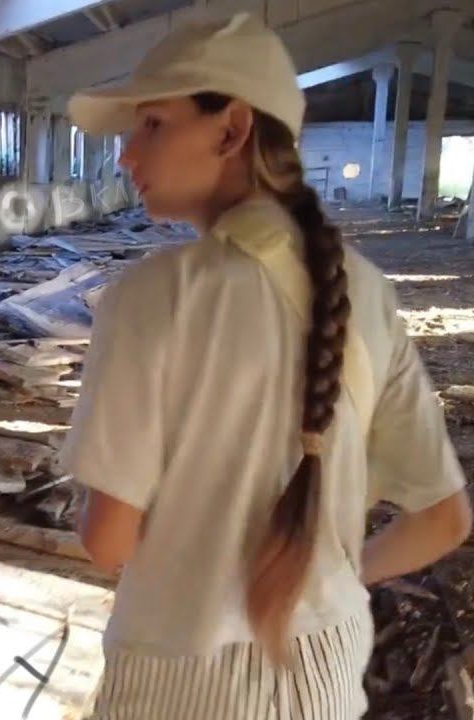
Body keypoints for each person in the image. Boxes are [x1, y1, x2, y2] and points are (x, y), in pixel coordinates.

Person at [62, 13, 470, 718]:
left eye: (152, 125)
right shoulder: (367, 290)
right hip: (326, 674)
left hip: (181, 684)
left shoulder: (152, 295)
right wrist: (330, 582)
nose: (127, 155)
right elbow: (442, 519)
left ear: (231, 130)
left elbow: (108, 542)